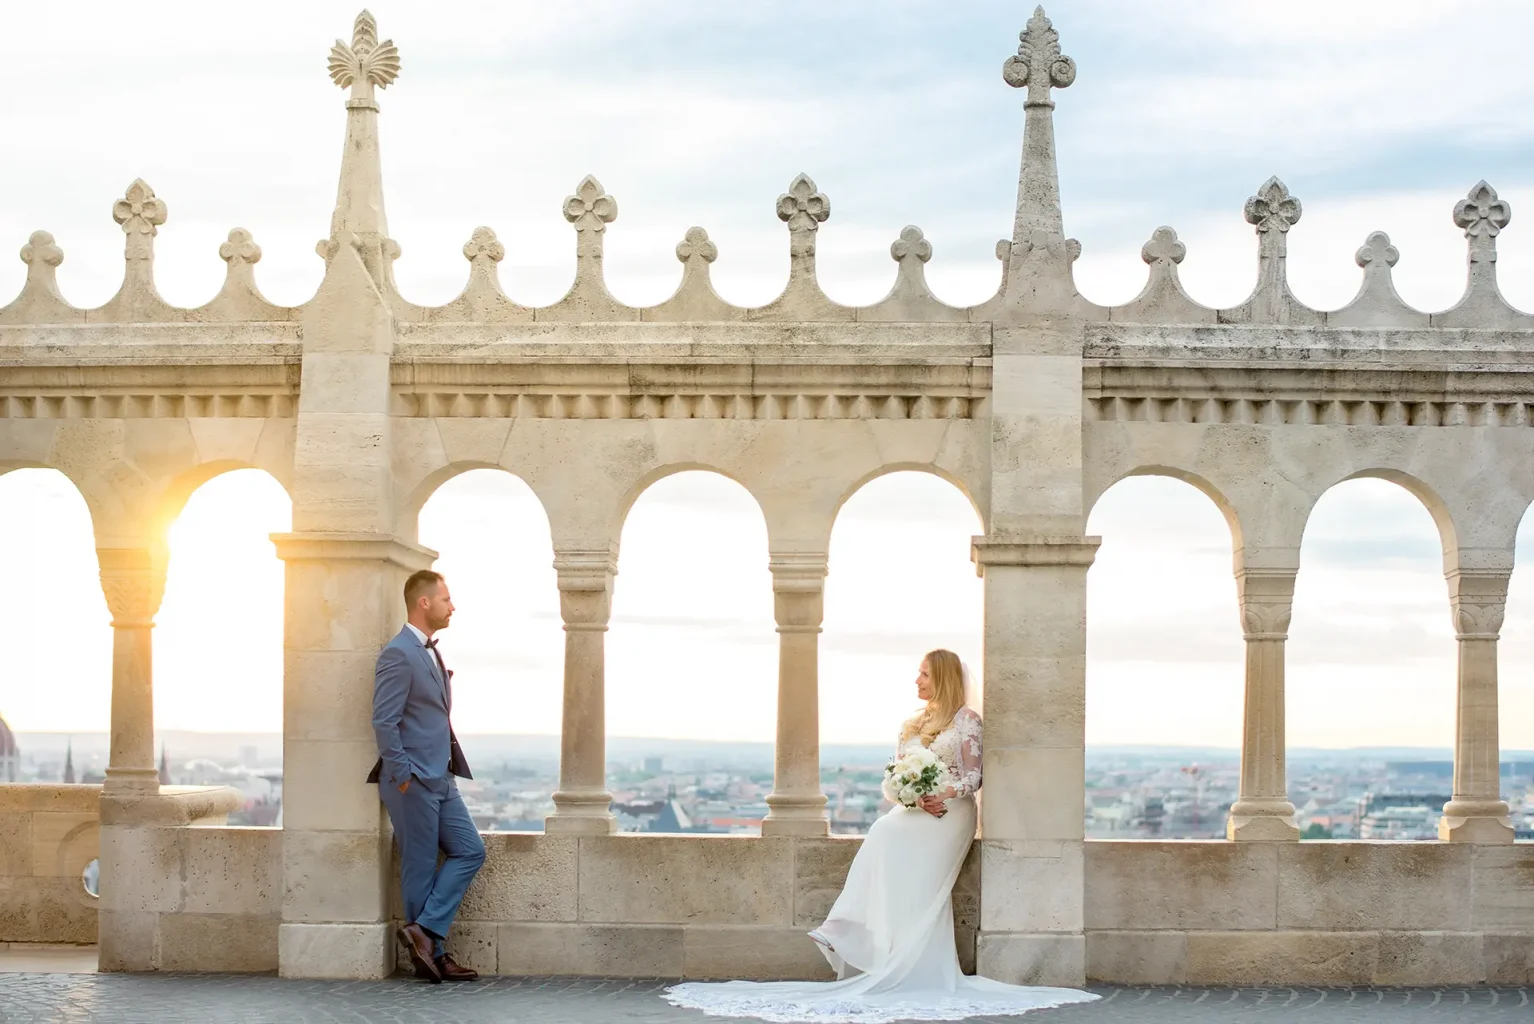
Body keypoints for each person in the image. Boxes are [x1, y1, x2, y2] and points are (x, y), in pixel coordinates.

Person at [664, 649, 1098, 1022]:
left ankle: (856, 934)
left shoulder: (967, 720)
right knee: (883, 833)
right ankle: (852, 930)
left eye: (924, 674)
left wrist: (935, 794)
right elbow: (894, 780)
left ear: (942, 676)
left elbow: (972, 777)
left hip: (950, 812)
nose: (917, 680)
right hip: (916, 811)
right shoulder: (912, 724)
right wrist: (912, 798)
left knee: (898, 853)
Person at [366, 570, 485, 983]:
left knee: (470, 850)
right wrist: (403, 775)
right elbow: (384, 721)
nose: (453, 606)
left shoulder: (430, 652)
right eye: (447, 599)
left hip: (442, 777)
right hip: (413, 779)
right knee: (418, 865)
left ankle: (424, 931)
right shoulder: (398, 653)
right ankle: (433, 955)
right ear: (424, 603)